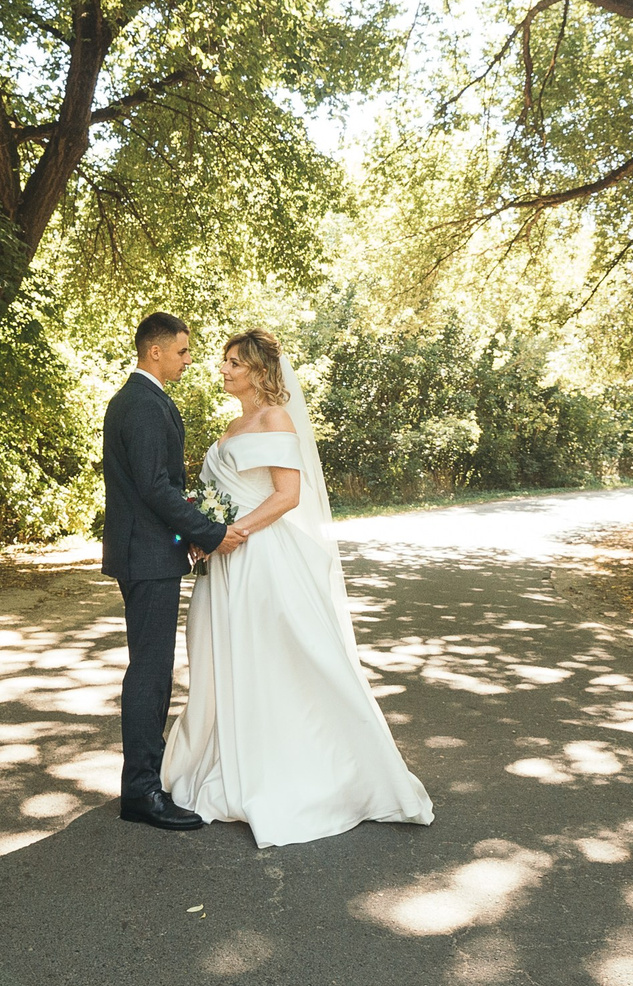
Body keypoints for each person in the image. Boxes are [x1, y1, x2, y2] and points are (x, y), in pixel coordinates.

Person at [163, 327, 434, 847]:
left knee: (276, 657)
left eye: (234, 363)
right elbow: (215, 495)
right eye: (223, 362)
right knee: (218, 656)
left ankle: (308, 768)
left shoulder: (275, 418)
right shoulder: (232, 424)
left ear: (260, 371)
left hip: (259, 556)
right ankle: (220, 755)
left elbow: (288, 495)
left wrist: (232, 531)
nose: (222, 370)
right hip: (222, 562)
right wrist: (202, 534)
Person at [100, 312, 238, 830]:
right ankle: (141, 793)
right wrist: (211, 533)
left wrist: (188, 535)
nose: (188, 359)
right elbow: (157, 488)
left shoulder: (139, 400)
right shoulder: (141, 404)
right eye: (182, 351)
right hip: (146, 558)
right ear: (154, 351)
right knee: (150, 672)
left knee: (151, 668)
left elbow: (150, 489)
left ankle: (146, 779)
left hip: (148, 551)